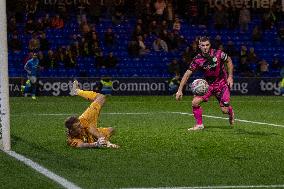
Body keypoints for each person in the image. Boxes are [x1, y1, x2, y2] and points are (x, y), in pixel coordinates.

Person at [175, 36, 235, 131]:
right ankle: (199, 125)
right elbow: (187, 74)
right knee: (195, 102)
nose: (205, 47)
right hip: (208, 85)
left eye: (207, 45)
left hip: (222, 84)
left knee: (224, 110)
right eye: (203, 45)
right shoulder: (197, 59)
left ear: (210, 45)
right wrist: (179, 90)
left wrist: (230, 76)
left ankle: (230, 112)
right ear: (199, 46)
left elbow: (229, 60)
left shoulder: (218, 53)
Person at [65, 80, 119, 148]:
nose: (80, 127)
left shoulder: (82, 122)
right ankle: (76, 91)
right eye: (77, 127)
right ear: (71, 131)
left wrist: (105, 142)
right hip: (91, 138)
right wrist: (95, 144)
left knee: (101, 98)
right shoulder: (72, 139)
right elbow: (81, 145)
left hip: (86, 119)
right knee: (111, 130)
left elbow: (91, 129)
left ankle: (76, 91)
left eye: (79, 125)